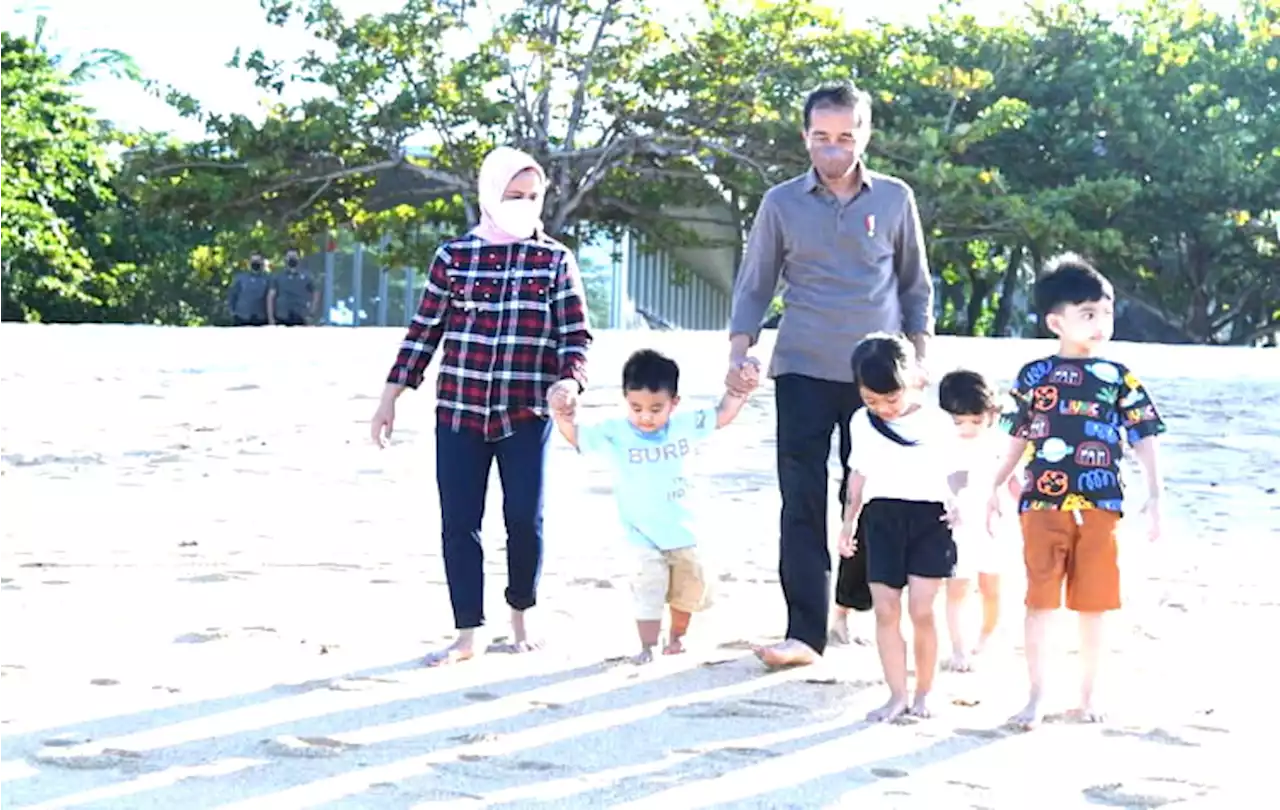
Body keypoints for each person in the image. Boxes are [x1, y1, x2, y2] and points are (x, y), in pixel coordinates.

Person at [725, 79, 935, 668]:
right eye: (822, 137)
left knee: (867, 495)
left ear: (865, 134)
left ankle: (852, 603)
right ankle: (805, 632)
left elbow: (916, 288)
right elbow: (755, 285)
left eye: (846, 136)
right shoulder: (780, 203)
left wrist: (919, 364)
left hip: (879, 377)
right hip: (801, 369)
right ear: (805, 135)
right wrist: (740, 353)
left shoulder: (895, 199)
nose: (834, 148)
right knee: (800, 498)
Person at [369, 146, 592, 667]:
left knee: (524, 519)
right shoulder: (454, 258)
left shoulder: (555, 260)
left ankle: (521, 616)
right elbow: (424, 332)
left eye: (533, 197)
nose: (524, 204)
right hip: (459, 411)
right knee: (459, 522)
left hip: (526, 412)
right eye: (514, 195)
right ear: (490, 195)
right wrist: (390, 398)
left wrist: (571, 384)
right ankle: (467, 632)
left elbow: (576, 335)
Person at [986, 253, 1166, 729]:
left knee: (1095, 604)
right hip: (1041, 503)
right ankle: (1037, 694)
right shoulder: (1033, 375)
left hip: (1101, 503)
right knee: (1040, 600)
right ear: (1055, 321)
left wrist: (1156, 495)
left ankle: (1088, 695)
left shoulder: (1118, 377)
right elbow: (1016, 437)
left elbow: (1143, 435)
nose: (1101, 322)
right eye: (1087, 314)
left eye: (1106, 312)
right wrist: (996, 483)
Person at [549, 349, 759, 663]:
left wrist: (740, 391)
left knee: (688, 586)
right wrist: (563, 417)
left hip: (684, 527)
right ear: (625, 400)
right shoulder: (616, 432)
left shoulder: (685, 425)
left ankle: (677, 637)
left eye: (656, 408)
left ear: (674, 402)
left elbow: (722, 414)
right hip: (639, 530)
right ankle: (646, 646)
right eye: (636, 408)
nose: (645, 417)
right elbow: (578, 437)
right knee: (648, 584)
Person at [836, 334, 958, 721]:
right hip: (881, 519)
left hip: (930, 519)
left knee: (923, 610)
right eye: (871, 399)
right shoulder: (861, 421)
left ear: (911, 380)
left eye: (891, 398)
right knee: (886, 610)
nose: (883, 409)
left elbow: (955, 471)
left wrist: (960, 503)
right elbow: (857, 476)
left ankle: (926, 692)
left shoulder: (936, 421)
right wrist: (848, 523)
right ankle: (896, 695)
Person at [937, 369, 1020, 673]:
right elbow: (942, 480)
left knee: (991, 587)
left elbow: (1012, 480)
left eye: (975, 420)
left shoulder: (1002, 442)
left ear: (991, 414)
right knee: (957, 586)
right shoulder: (944, 442)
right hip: (958, 523)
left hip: (994, 523)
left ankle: (986, 636)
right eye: (959, 422)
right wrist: (950, 502)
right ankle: (958, 648)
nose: (967, 428)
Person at [268, 248, 319, 326]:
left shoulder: (307, 276)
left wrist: (312, 314)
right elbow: (270, 297)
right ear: (285, 258)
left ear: (299, 258)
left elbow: (316, 293)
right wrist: (271, 318)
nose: (292, 258)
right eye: (289, 256)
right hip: (282, 318)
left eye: (294, 256)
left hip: (301, 318)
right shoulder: (278, 276)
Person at [227, 251, 271, 326]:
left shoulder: (268, 279)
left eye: (257, 261)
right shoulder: (240, 278)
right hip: (241, 317)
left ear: (262, 262)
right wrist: (232, 311)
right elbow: (232, 295)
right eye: (253, 260)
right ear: (249, 262)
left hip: (261, 318)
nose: (255, 263)